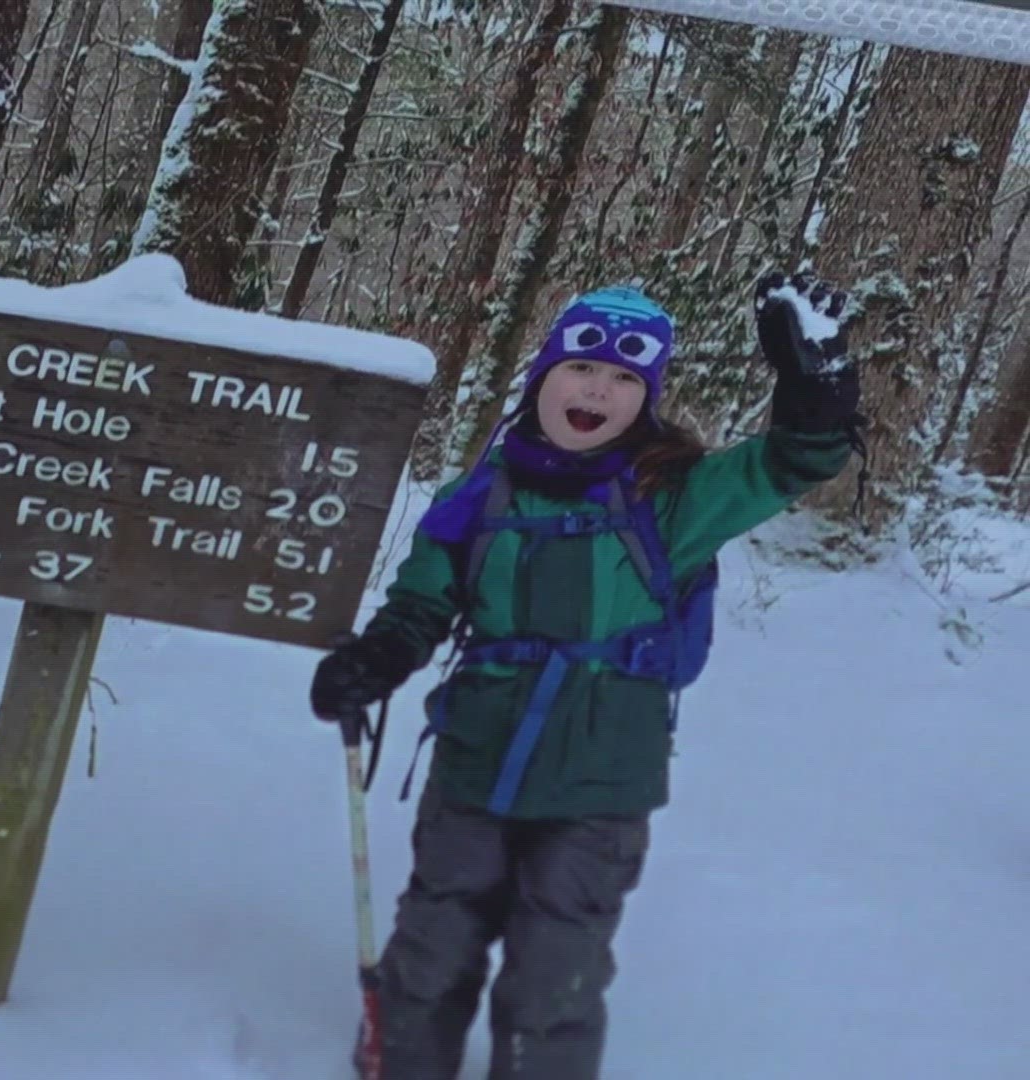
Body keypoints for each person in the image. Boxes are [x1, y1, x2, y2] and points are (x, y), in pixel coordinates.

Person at [309, 273, 862, 1080]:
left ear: (646, 399)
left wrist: (818, 388)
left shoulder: (674, 499)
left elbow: (789, 464)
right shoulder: (477, 494)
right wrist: (376, 659)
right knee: (433, 937)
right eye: (582, 367)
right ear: (544, 377)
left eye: (625, 378)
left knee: (554, 971)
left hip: (602, 776)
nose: (598, 389)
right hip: (477, 756)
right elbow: (421, 601)